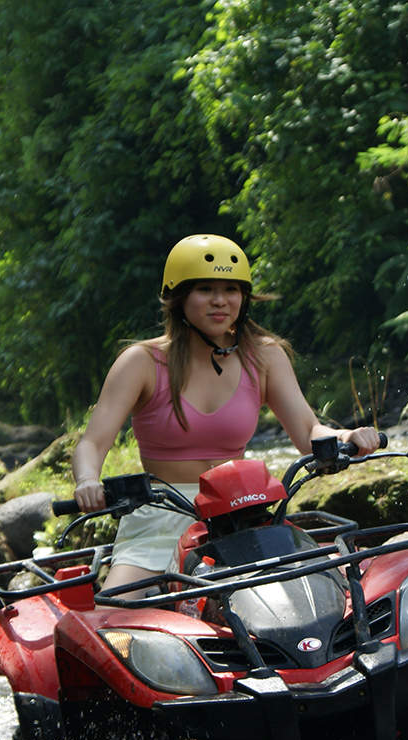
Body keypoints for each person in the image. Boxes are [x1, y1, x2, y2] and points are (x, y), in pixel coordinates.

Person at [71, 233, 382, 589]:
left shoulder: (265, 356)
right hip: (162, 518)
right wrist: (87, 481)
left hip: (242, 511)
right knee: (118, 607)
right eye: (205, 289)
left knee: (326, 588)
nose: (220, 301)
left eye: (231, 290)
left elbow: (308, 429)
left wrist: (345, 437)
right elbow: (92, 443)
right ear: (179, 297)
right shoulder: (142, 362)